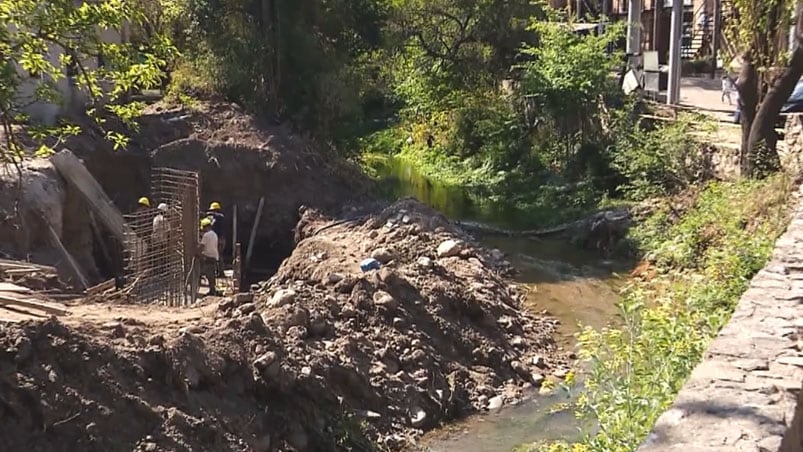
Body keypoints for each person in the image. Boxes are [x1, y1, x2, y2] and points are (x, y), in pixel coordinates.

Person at [198, 218, 220, 296]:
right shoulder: (214, 234)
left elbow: (202, 246)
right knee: (211, 274)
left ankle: (212, 290)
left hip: (209, 256)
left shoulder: (206, 235)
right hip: (214, 256)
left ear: (205, 227)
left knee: (209, 274)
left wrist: (197, 253)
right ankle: (213, 290)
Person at [205, 201, 226, 275]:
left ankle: (220, 272)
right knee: (217, 255)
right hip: (219, 239)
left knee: (217, 255)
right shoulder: (218, 217)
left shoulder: (220, 217)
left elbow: (215, 217)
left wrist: (208, 214)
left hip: (219, 239)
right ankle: (219, 271)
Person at [152, 203, 169, 270]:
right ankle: (162, 270)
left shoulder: (155, 219)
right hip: (162, 241)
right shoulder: (165, 220)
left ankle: (157, 270)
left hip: (155, 240)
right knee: (163, 257)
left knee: (157, 256)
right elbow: (168, 231)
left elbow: (154, 229)